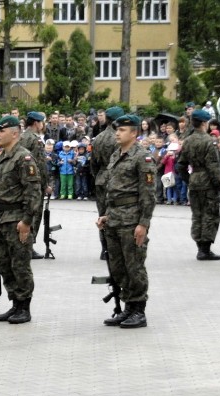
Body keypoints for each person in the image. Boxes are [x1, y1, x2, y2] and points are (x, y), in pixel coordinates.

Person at [96, 114, 156, 328]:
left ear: (134, 133)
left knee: (134, 266)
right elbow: (113, 190)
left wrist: (143, 224)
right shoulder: (115, 155)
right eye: (116, 130)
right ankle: (128, 307)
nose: (117, 134)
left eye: (122, 130)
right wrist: (106, 215)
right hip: (114, 219)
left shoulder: (143, 157)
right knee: (118, 267)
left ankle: (138, 310)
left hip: (132, 221)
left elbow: (148, 193)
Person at [0, 115, 41, 324]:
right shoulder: (1, 157)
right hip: (2, 218)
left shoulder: (23, 157)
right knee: (5, 264)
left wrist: (27, 221)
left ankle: (24, 306)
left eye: (2, 131)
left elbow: (33, 191)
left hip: (17, 218)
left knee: (20, 264)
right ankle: (14, 303)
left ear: (14, 133)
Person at [177, 108, 220, 260]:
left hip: (195, 180)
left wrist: (188, 179)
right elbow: (213, 166)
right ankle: (205, 249)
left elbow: (180, 165)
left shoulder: (188, 140)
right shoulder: (208, 141)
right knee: (209, 214)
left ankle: (200, 247)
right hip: (207, 182)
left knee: (197, 215)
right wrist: (219, 184)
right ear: (204, 123)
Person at [90, 106, 125, 259]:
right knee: (118, 214)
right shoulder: (121, 138)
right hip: (118, 178)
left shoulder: (99, 138)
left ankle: (105, 249)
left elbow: (93, 164)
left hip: (102, 178)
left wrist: (99, 176)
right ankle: (117, 247)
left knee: (103, 213)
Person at [20, 111, 50, 259]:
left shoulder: (20, 136)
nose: (42, 125)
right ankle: (29, 246)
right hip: (34, 182)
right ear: (36, 123)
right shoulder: (35, 140)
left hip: (21, 181)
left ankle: (21, 243)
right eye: (42, 122)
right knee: (34, 214)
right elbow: (40, 164)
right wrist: (46, 184)